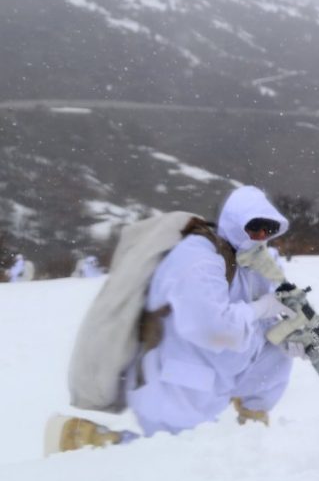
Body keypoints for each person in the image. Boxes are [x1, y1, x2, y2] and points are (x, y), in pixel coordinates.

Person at [47, 186, 297, 453]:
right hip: (175, 382)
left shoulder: (251, 265)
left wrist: (289, 336)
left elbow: (258, 321)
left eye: (267, 231)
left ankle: (252, 429)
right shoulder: (198, 256)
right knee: (174, 457)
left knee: (275, 353)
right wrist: (263, 308)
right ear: (235, 222)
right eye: (254, 228)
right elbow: (215, 329)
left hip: (213, 376)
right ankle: (86, 438)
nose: (260, 237)